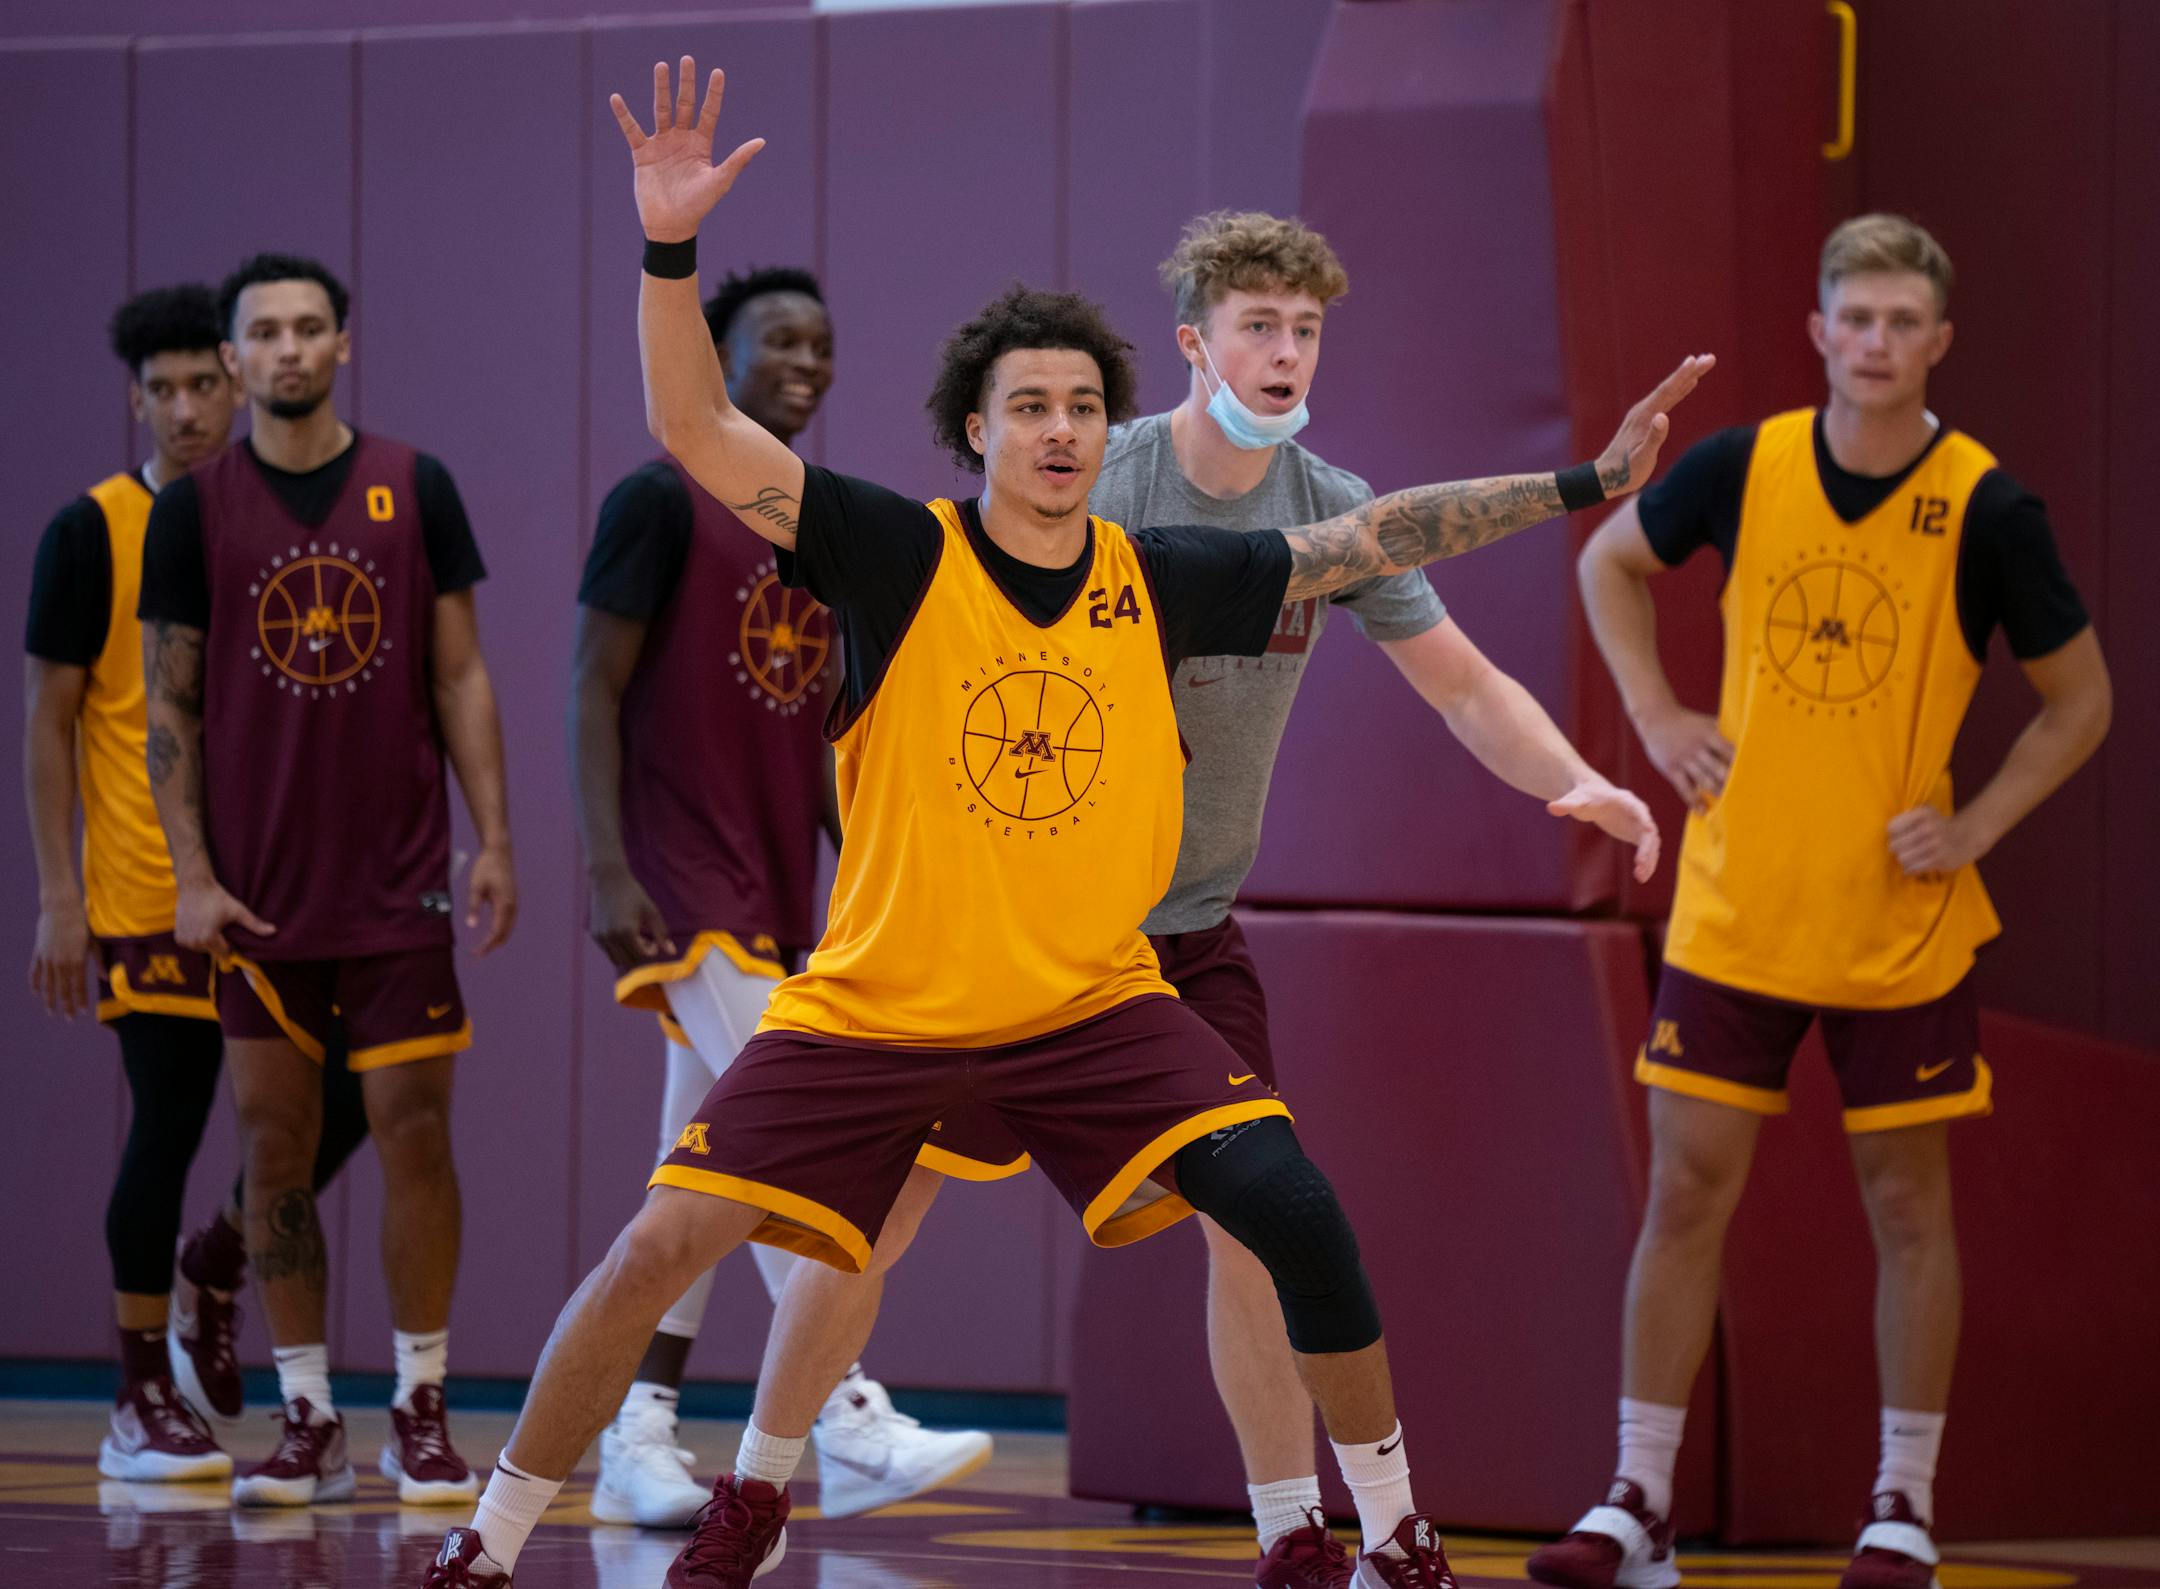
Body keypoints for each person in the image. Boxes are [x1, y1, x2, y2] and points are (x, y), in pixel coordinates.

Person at [419, 58, 1707, 1589]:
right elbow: (696, 426)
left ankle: (1377, 1532)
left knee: (1285, 1206)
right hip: (892, 993)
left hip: (1105, 979)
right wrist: (668, 247)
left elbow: (1382, 540)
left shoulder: (1158, 567)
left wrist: (1584, 482)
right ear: (977, 427)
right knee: (708, 1250)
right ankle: (537, 1536)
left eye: (1079, 409)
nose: (1060, 429)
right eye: (1030, 406)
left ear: (1110, 428)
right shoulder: (898, 548)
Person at [1526, 214, 2109, 1589]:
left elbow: (2081, 700)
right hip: (1739, 907)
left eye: (1905, 322)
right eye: (1858, 318)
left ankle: (1902, 1501)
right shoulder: (1747, 464)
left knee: (1908, 1208)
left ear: (1939, 341)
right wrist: (1659, 713)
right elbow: (1607, 561)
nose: (1879, 343)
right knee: (1684, 1197)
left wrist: (1974, 824)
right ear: (1821, 331)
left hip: (1895, 923)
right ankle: (1639, 1501)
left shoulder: (1988, 506)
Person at [1076, 209, 1656, 1585]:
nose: (1284, 352)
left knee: (1254, 1224)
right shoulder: (1105, 479)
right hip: (1039, 927)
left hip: (1188, 934)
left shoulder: (1330, 502)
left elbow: (1464, 681)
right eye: (1259, 326)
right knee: (873, 1205)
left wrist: (1575, 779)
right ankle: (741, 1454)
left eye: (1306, 328)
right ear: (1193, 344)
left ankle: (1303, 1532)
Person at [572, 265, 989, 1528]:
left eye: (823, 343)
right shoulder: (655, 500)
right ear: (718, 353)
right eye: (779, 341)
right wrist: (605, 863)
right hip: (680, 875)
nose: (806, 361)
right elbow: (592, 681)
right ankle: (842, 1415)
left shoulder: (811, 521)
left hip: (778, 881)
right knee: (794, 1142)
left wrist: (870, 864)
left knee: (693, 1168)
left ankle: (636, 1433)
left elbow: (816, 725)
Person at [138, 252, 519, 1508]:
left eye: (311, 327)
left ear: (343, 343)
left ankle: (421, 1402)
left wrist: (497, 838)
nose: (290, 347)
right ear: (236, 356)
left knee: (416, 1135)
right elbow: (169, 704)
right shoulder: (193, 510)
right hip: (258, 896)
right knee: (274, 1149)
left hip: (398, 882)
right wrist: (191, 875)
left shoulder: (416, 485)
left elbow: (461, 675)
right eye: (267, 332)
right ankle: (306, 1411)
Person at [23, 283, 372, 1481]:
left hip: (276, 877)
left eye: (200, 385)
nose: (185, 408)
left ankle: (213, 1262)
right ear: (137, 398)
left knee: (349, 1102)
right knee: (167, 1122)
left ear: (235, 381)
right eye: (160, 390)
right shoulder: (90, 529)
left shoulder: (264, 516)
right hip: (143, 882)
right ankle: (136, 1395)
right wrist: (59, 898)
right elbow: (48, 720)